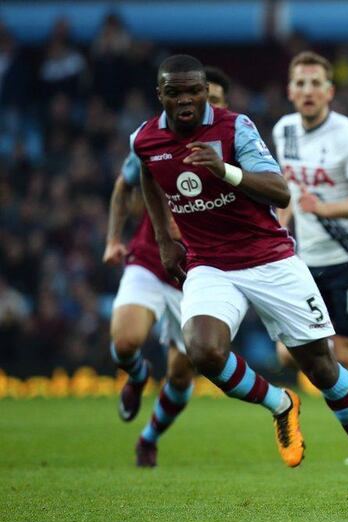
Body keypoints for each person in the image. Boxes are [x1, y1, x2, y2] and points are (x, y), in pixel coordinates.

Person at [136, 54, 348, 497]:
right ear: (160, 94)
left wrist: (225, 171)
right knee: (204, 352)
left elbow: (279, 191)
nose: (185, 100)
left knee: (322, 366)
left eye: (193, 91)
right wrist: (164, 237)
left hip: (270, 258)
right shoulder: (146, 139)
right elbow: (148, 173)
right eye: (174, 92)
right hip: (209, 264)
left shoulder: (235, 128)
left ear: (205, 91)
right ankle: (280, 403)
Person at [103, 66, 232, 468]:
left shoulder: (236, 145)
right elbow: (126, 183)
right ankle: (137, 374)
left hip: (201, 272)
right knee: (125, 341)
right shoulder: (154, 141)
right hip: (149, 257)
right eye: (191, 94)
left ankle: (149, 437)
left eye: (210, 98)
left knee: (181, 374)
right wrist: (112, 239)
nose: (196, 103)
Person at [271, 51, 348, 464]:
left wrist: (324, 209)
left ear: (329, 91)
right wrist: (282, 226)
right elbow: (287, 190)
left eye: (315, 83)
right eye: (299, 83)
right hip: (306, 260)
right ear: (290, 90)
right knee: (289, 354)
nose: (307, 91)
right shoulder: (283, 131)